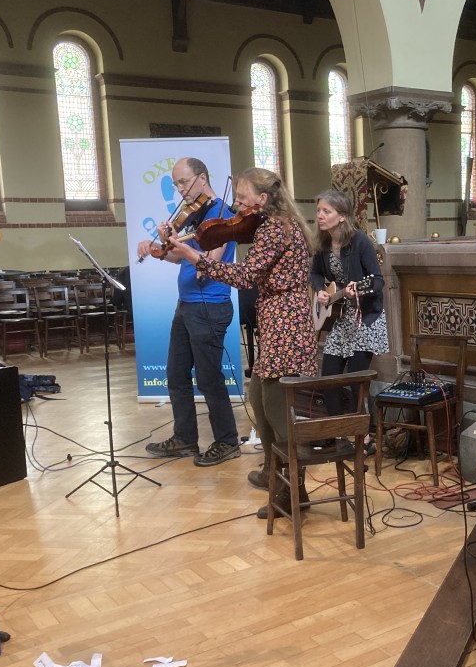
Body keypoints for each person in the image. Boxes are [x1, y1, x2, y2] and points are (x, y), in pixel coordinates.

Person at [166, 167, 318, 515]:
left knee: (276, 408)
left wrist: (194, 256)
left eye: (241, 198)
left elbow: (246, 276)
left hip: (285, 323)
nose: (236, 206)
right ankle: (272, 470)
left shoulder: (275, 228)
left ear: (262, 199)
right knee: (258, 398)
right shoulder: (274, 225)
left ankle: (293, 492)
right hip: (280, 319)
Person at [135, 157, 242, 467]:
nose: (180, 189)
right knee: (176, 374)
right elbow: (179, 258)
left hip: (209, 306)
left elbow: (209, 262)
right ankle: (185, 438)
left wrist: (174, 243)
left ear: (202, 178)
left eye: (184, 182)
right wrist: (158, 248)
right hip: (186, 305)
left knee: (209, 379)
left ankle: (227, 441)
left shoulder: (221, 215)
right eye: (176, 184)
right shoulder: (195, 216)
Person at [310, 189, 388, 453]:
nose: (320, 215)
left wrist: (359, 290)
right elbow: (315, 273)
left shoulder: (360, 241)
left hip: (365, 319)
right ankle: (337, 432)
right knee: (328, 378)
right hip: (342, 318)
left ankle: (364, 438)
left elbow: (378, 280)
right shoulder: (323, 243)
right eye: (319, 210)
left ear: (342, 216)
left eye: (326, 211)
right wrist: (320, 290)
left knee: (356, 381)